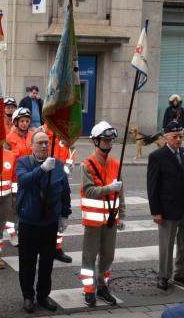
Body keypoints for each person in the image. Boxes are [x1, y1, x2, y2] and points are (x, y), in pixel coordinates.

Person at [16, 129, 71, 314]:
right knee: (27, 262)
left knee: (47, 262)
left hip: (49, 222)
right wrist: (41, 169)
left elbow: (65, 191)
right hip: (29, 221)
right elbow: (24, 181)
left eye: (46, 142)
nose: (44, 145)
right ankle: (28, 296)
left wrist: (65, 214)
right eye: (39, 142)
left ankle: (43, 295)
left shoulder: (58, 164)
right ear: (31, 145)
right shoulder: (23, 162)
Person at [79, 121, 125, 307]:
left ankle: (102, 286)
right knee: (89, 257)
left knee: (108, 256)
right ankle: (88, 290)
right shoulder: (87, 164)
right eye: (105, 140)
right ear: (96, 142)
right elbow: (89, 191)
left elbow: (121, 192)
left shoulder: (115, 164)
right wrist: (108, 188)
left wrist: (121, 215)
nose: (109, 143)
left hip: (111, 220)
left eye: (111, 140)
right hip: (93, 221)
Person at [147, 121, 184, 291]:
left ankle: (180, 273)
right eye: (175, 137)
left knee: (183, 243)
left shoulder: (183, 153)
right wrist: (156, 211)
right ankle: (163, 276)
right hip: (167, 209)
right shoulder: (157, 156)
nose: (178, 140)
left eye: (181, 136)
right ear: (166, 138)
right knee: (166, 245)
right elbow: (152, 186)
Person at [42, 122, 73, 264]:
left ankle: (57, 248)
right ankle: (44, 248)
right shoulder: (42, 134)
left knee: (60, 215)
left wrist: (67, 169)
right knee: (44, 216)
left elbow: (69, 158)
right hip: (46, 182)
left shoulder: (65, 135)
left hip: (62, 181)